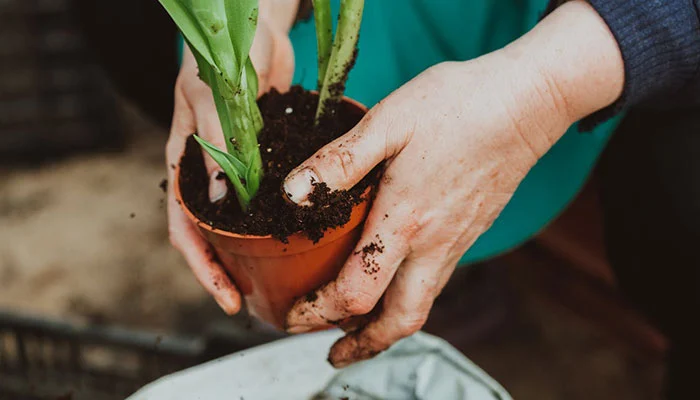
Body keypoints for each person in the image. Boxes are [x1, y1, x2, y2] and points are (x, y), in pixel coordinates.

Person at [164, 0, 700, 397]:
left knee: (681, 206)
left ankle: (454, 274)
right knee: (127, 25)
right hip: (376, 23)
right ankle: (433, 285)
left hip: (585, 30)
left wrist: (543, 92)